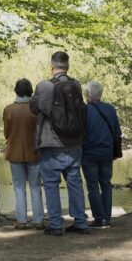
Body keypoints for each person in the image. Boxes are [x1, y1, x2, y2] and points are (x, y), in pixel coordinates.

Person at [30, 51, 90, 236]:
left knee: (51, 184)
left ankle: (55, 224)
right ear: (67, 66)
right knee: (75, 183)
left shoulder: (44, 86)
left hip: (51, 143)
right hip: (74, 143)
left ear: (52, 66)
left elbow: (33, 108)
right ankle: (81, 222)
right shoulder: (76, 85)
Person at [3, 78, 45, 230]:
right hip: (34, 152)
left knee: (19, 187)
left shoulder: (9, 109)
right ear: (30, 91)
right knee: (35, 187)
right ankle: (38, 220)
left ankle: (21, 220)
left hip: (15, 152)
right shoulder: (36, 109)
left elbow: (6, 133)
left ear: (16, 91)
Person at [81, 81, 121, 229]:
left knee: (92, 186)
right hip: (107, 152)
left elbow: (81, 133)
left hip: (89, 153)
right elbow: (116, 131)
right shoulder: (110, 109)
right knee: (106, 184)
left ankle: (99, 218)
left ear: (87, 95)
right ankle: (107, 218)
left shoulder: (84, 111)